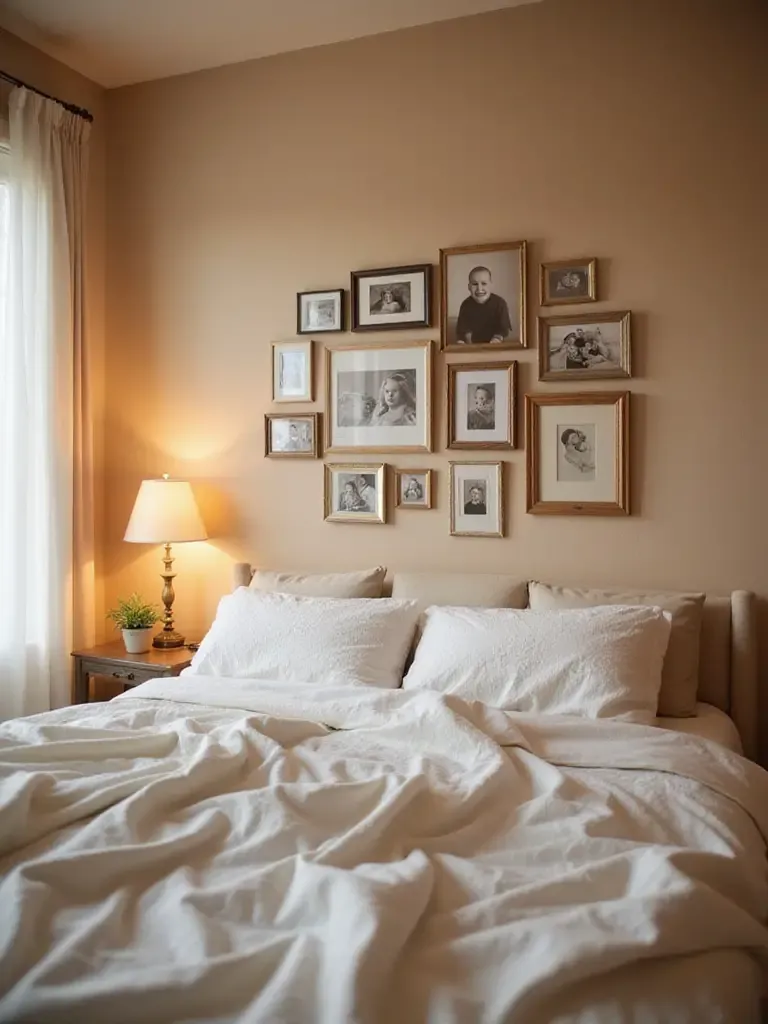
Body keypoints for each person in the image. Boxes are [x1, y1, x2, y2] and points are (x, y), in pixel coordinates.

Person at [455, 266, 512, 344]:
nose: (479, 288)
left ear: (491, 285)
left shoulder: (500, 303)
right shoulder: (466, 305)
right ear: (469, 287)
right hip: (473, 345)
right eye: (475, 284)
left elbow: (504, 329)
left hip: (496, 345)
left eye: (484, 283)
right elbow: (462, 331)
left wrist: (496, 339)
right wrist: (462, 341)